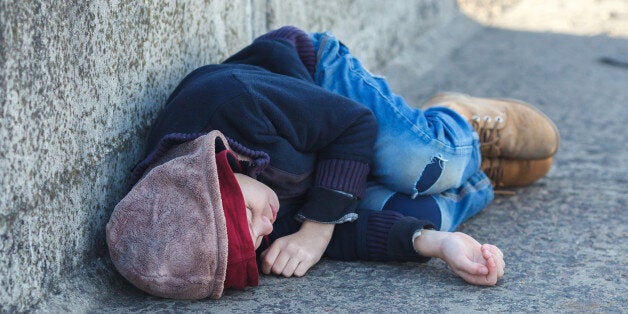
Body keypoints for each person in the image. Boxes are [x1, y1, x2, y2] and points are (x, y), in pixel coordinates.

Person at [106, 26, 559, 299]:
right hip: (315, 170)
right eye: (257, 240)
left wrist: (317, 226)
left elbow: (351, 127)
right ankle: (478, 178)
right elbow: (347, 235)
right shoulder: (228, 235)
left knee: (419, 162)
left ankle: (458, 125)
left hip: (322, 87)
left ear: (216, 173)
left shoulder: (232, 104)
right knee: (425, 215)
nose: (266, 229)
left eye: (247, 216)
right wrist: (438, 245)